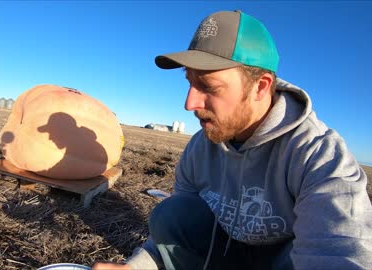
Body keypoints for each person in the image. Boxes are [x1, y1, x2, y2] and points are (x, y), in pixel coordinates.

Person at [93, 10, 372, 270]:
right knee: (172, 213)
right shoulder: (200, 147)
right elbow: (170, 234)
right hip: (225, 251)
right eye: (189, 82)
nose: (189, 103)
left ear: (260, 87)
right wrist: (135, 267)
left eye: (208, 86)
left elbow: (339, 252)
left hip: (286, 262)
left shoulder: (318, 154)